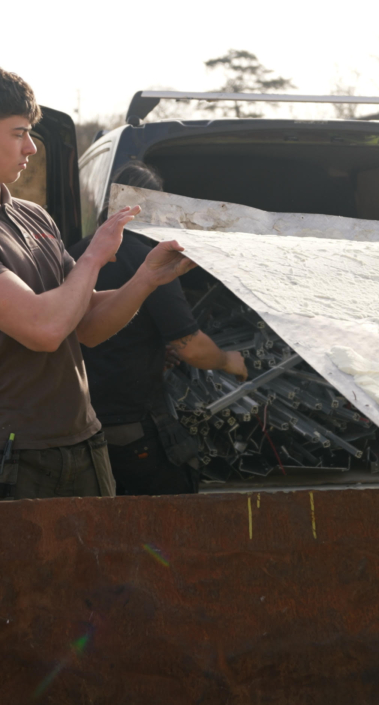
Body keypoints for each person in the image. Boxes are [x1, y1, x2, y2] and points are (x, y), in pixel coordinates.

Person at [0, 63, 194, 500]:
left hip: (85, 440)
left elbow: (84, 325)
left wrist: (145, 279)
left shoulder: (34, 216)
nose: (31, 147)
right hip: (7, 454)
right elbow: (44, 329)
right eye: (18, 133)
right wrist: (97, 254)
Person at [69, 162, 247, 495]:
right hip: (130, 427)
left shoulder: (75, 254)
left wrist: (148, 348)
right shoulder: (149, 261)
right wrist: (227, 361)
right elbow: (189, 345)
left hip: (76, 429)